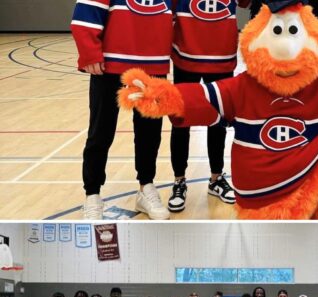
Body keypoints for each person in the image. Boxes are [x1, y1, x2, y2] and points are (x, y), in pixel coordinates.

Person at [70, 0, 173, 220]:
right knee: (100, 132)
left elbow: (180, 19)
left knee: (150, 134)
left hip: (153, 67)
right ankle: (92, 194)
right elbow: (86, 12)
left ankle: (146, 187)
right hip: (110, 66)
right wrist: (89, 52)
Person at [166, 0, 250, 211]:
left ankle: (216, 178)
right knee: (180, 121)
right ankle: (179, 180)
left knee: (219, 122)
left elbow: (246, 3)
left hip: (221, 57)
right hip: (186, 55)